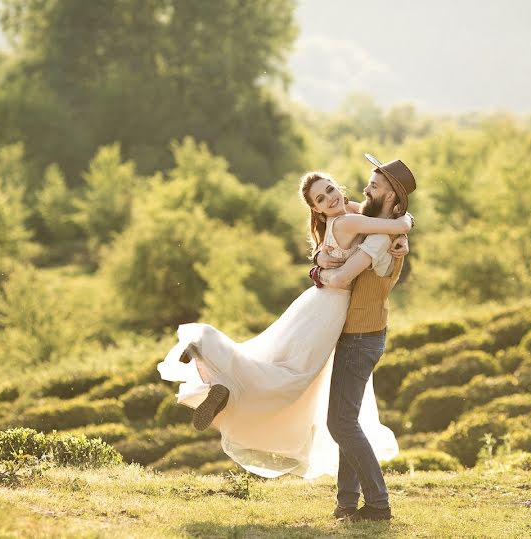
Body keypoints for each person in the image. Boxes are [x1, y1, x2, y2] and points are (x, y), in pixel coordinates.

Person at [156, 159, 413, 481]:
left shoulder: (351, 214)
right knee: (294, 376)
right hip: (329, 308)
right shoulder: (349, 222)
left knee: (274, 358)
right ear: (316, 210)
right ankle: (215, 367)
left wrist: (322, 260)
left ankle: (215, 369)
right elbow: (395, 226)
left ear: (340, 188)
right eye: (321, 198)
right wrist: (404, 223)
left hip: (317, 304)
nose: (330, 198)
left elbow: (379, 219)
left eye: (331, 189)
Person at [314, 154, 417, 523]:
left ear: (390, 196)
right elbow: (346, 215)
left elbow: (343, 279)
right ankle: (346, 502)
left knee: (340, 423)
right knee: (346, 420)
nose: (364, 190)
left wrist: (320, 272)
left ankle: (377, 505)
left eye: (373, 186)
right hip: (358, 334)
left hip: (361, 337)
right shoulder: (384, 225)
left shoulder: (379, 237)